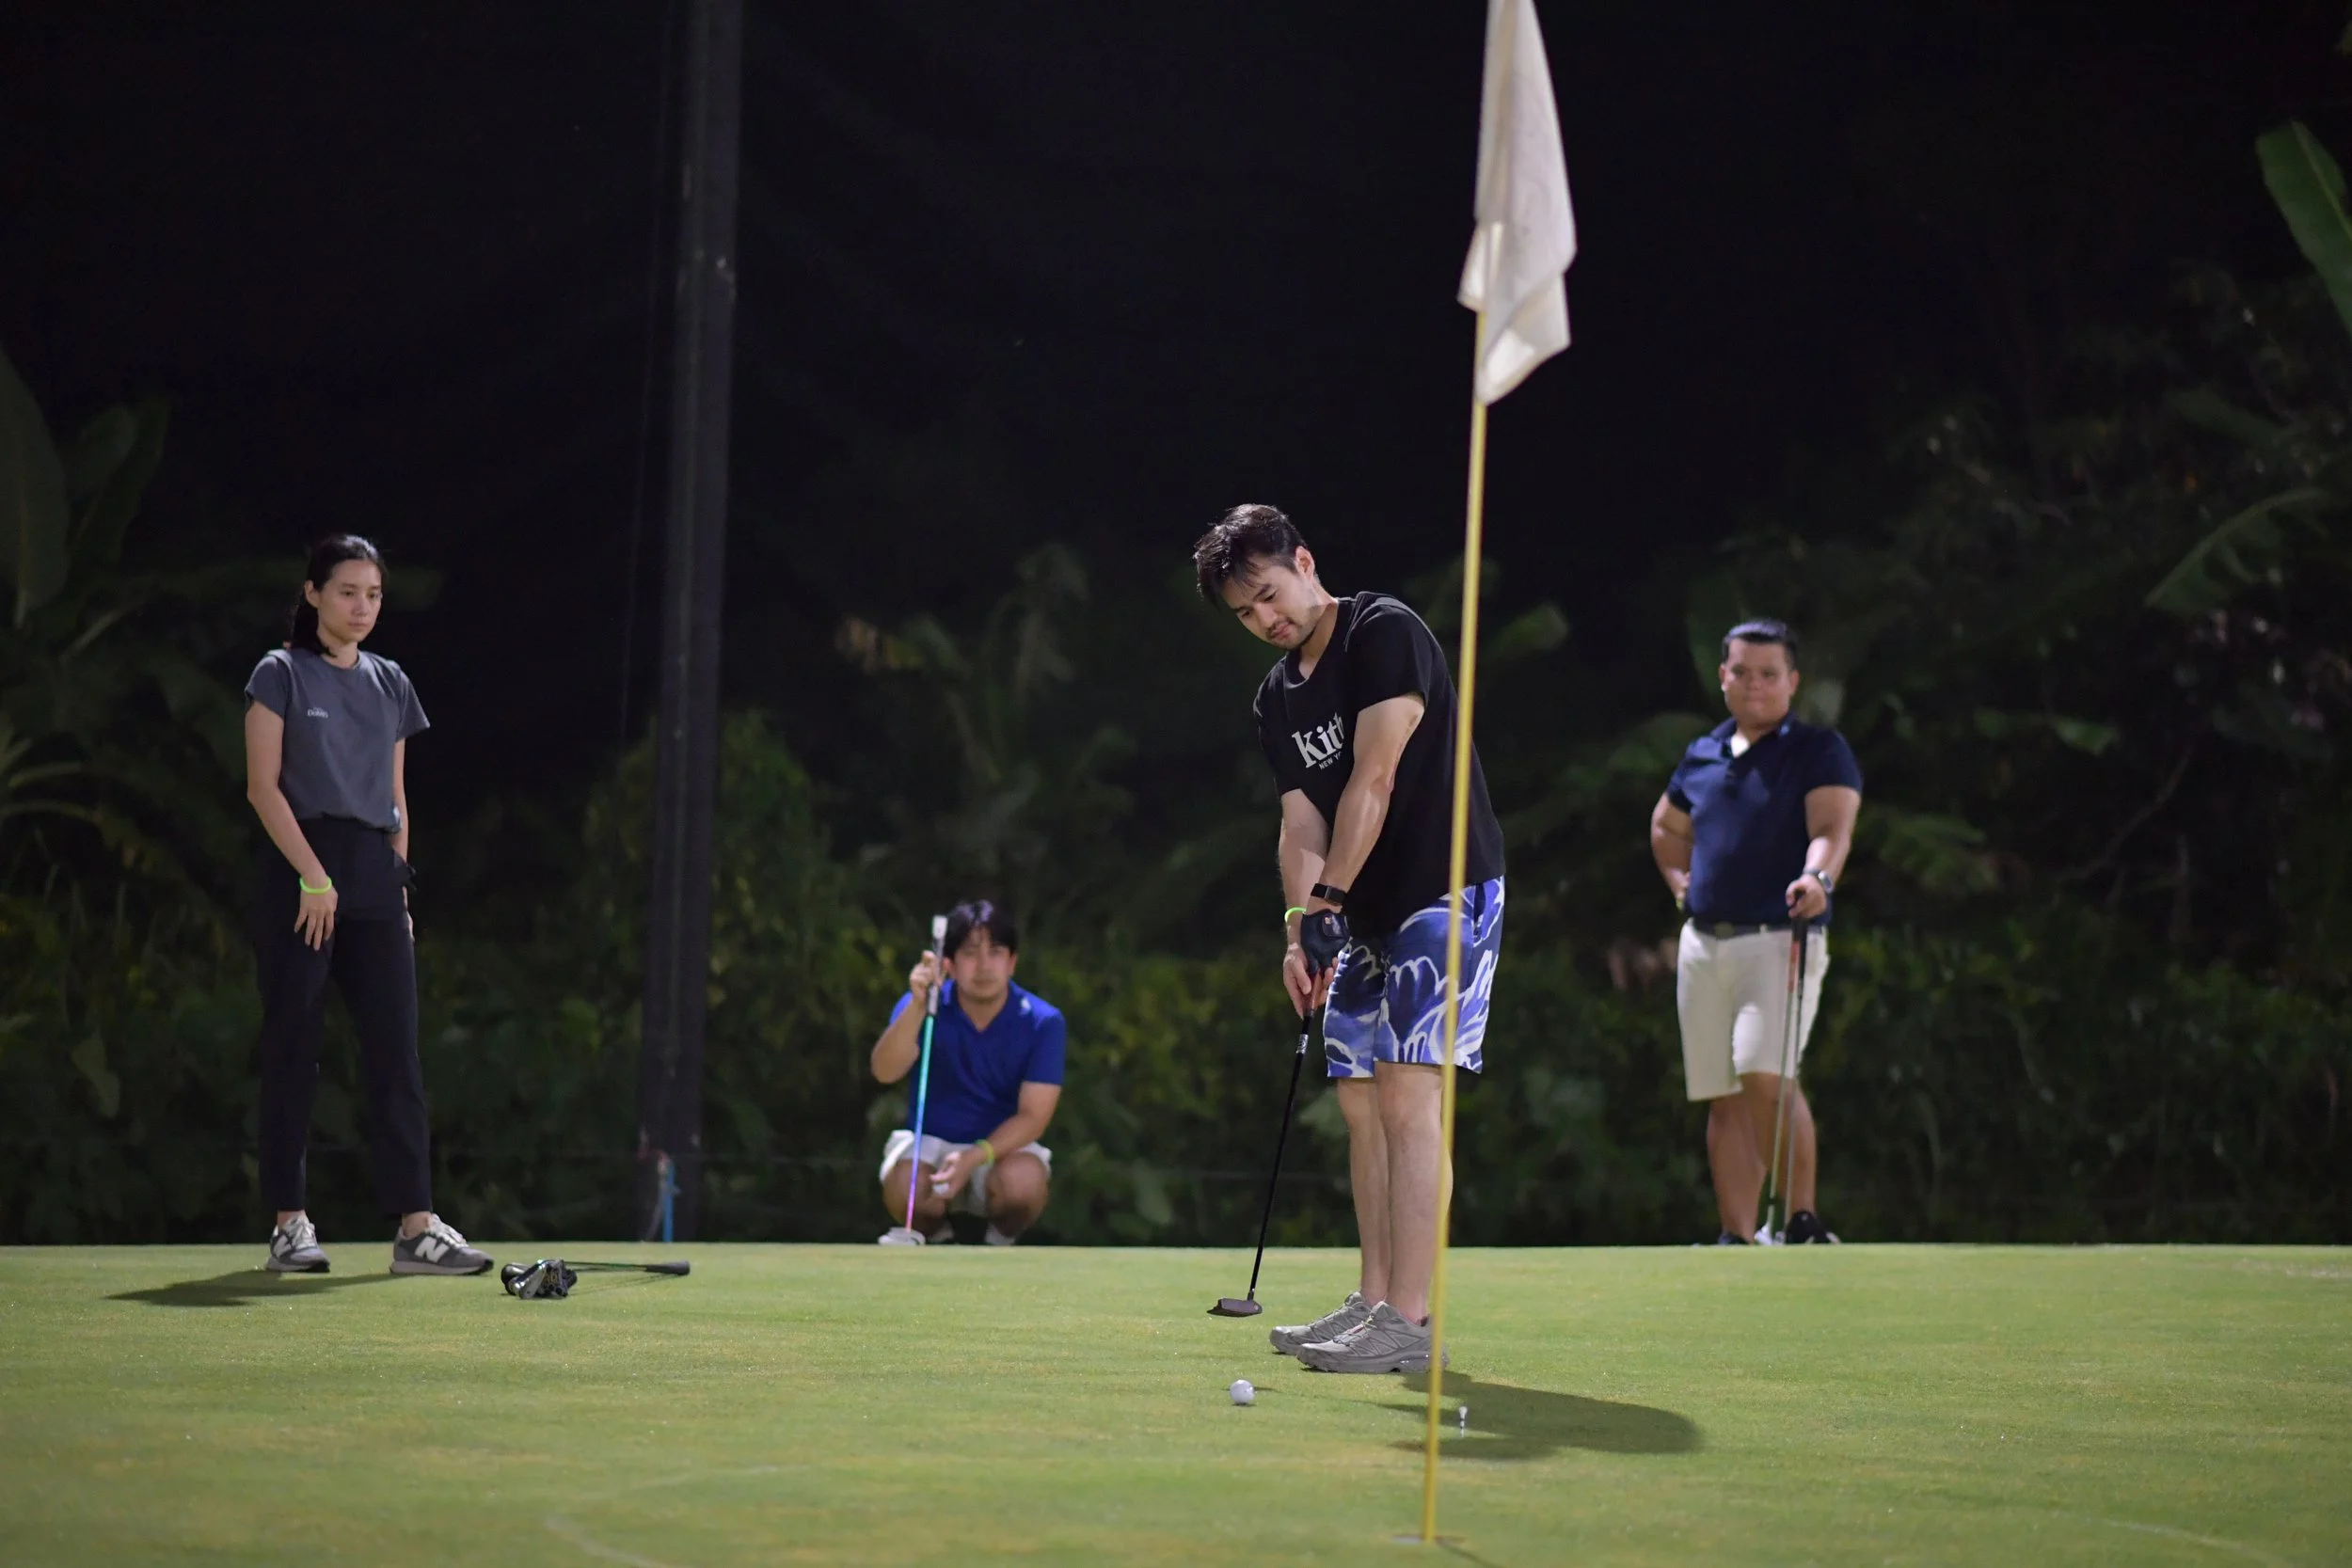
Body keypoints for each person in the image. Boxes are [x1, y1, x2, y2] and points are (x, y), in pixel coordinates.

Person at [1194, 504, 1504, 1374]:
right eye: (1247, 613)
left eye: (1269, 594)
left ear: (1303, 559)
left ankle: (1409, 1321)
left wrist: (1328, 898)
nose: (1267, 620)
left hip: (1443, 887)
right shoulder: (1275, 697)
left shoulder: (1383, 631)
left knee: (1408, 1097)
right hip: (1355, 910)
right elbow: (1300, 821)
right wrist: (1301, 928)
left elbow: (1375, 775)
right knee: (1361, 1103)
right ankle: (1375, 1301)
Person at [242, 535, 492, 1277]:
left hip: (374, 875)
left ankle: (417, 1227)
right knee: (295, 1043)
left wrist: (398, 885)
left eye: (374, 594)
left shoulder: (390, 682)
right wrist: (314, 877)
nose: (362, 606)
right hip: (301, 866)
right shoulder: (280, 672)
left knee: (396, 1049)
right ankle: (290, 1222)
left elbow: (395, 797)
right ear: (314, 592)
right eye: (347, 591)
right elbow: (264, 788)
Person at [1649, 619, 1862, 1244]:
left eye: (1769, 673)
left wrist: (1818, 876)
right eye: (1741, 671)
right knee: (1722, 1092)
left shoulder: (1817, 749)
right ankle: (1737, 1235)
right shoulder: (1704, 751)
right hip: (1704, 942)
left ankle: (1802, 1220)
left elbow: (1831, 827)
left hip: (1781, 934)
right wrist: (1680, 883)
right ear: (1723, 676)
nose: (1754, 684)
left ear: (1792, 681)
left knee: (1764, 1072)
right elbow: (1665, 828)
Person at [871, 900, 1064, 1245]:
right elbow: (885, 1072)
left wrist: (975, 1155)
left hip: (999, 1150)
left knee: (1023, 1187)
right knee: (906, 1190)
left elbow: (1034, 1117)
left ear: (1012, 962)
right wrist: (917, 1007)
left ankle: (997, 1244)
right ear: (950, 964)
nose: (984, 965)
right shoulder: (921, 1005)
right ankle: (938, 1240)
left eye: (996, 951)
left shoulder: (1042, 1021)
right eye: (970, 952)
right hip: (930, 1145)